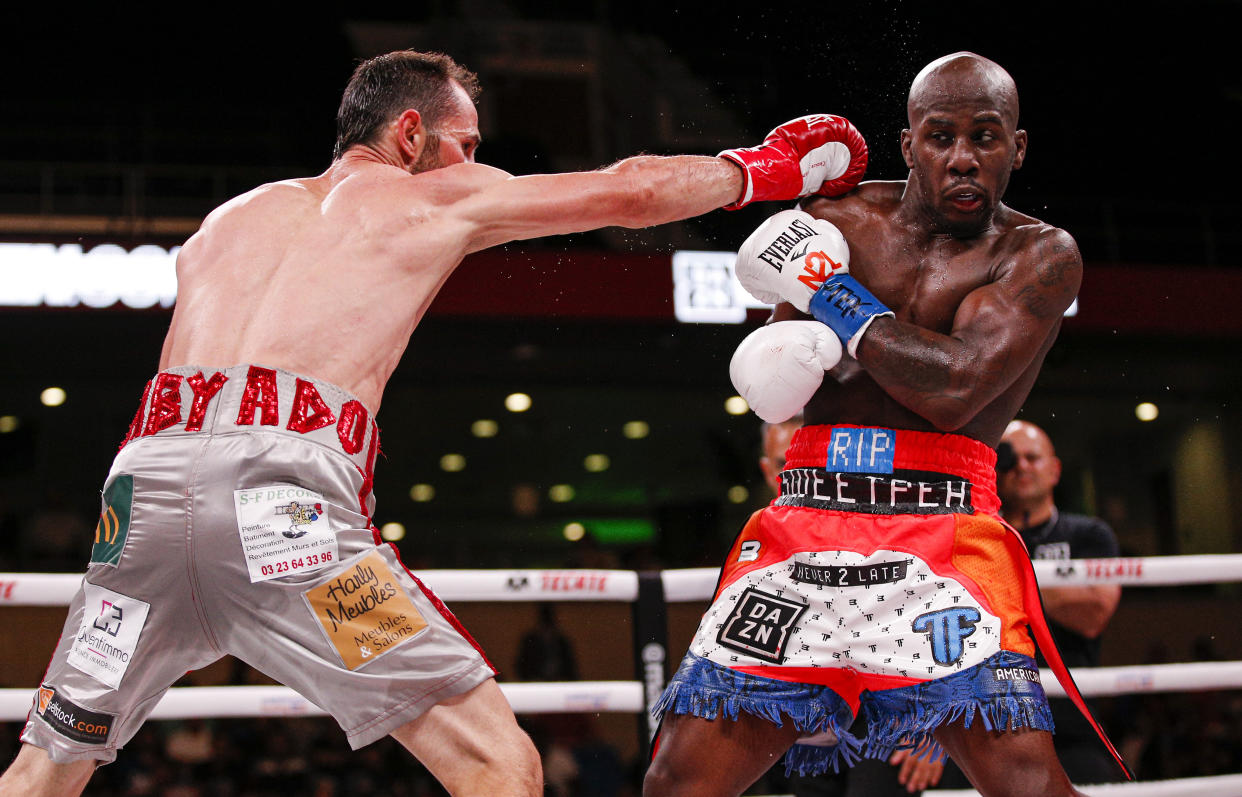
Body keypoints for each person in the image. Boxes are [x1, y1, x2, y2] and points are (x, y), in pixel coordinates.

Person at [0, 49, 869, 797]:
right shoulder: (426, 200)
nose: (474, 163)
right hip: (285, 519)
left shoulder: (228, 221)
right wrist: (766, 170)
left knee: (45, 769)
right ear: (410, 136)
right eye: (465, 145)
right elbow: (627, 192)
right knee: (498, 764)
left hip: (138, 516)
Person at [646, 52, 1130, 797]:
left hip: (943, 533)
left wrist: (831, 294)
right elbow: (784, 375)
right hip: (805, 517)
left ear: (1018, 147)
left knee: (1028, 784)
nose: (962, 159)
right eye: (940, 137)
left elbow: (956, 386)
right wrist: (783, 354)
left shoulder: (1039, 254)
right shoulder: (838, 220)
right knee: (678, 779)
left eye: (986, 137)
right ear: (909, 145)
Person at [762, 418, 945, 796]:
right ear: (768, 470)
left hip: (890, 712)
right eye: (786, 464)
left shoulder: (888, 520)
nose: (798, 475)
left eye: (808, 463)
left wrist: (938, 730)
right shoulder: (761, 539)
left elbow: (939, 618)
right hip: (808, 714)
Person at [998, 420, 1123, 784]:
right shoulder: (980, 535)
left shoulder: (1089, 534)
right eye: (1010, 458)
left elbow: (1092, 614)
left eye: (1032, 457)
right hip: (992, 719)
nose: (1021, 466)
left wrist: (1006, 577)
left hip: (1070, 721)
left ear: (1055, 469)